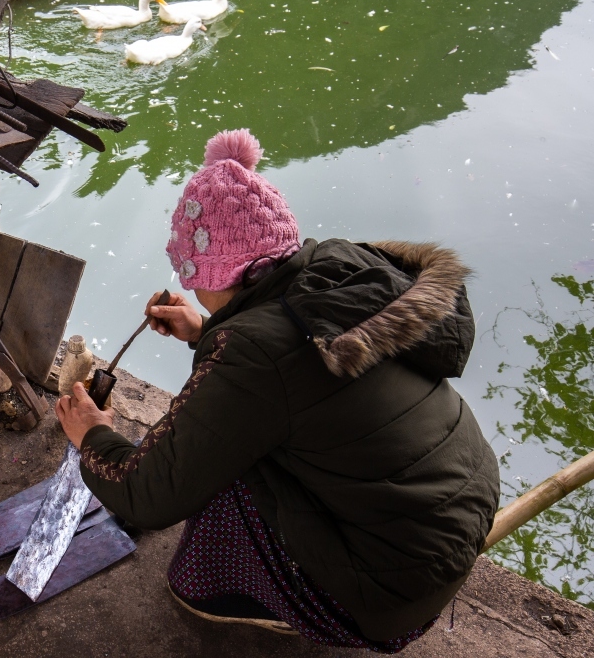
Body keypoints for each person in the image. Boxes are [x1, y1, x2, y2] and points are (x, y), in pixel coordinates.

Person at [55, 129, 499, 652]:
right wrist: (205, 331)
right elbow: (295, 368)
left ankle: (238, 597)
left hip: (386, 595)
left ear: (213, 274)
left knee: (222, 477)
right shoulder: (336, 273)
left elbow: (147, 493)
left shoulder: (255, 355)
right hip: (455, 517)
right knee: (239, 429)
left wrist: (93, 437)